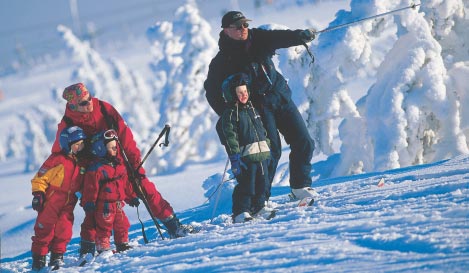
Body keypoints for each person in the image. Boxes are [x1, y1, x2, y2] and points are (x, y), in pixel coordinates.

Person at [52, 83, 193, 257]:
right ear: (73, 105)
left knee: (146, 189)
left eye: (89, 98)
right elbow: (61, 157)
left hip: (120, 164)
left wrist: (135, 166)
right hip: (94, 173)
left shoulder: (104, 108)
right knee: (97, 209)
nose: (89, 103)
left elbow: (125, 137)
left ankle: (174, 227)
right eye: (83, 103)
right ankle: (90, 249)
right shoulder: (67, 125)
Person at [204, 11, 317, 200]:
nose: (243, 29)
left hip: (280, 98)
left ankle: (300, 187)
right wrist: (230, 114)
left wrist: (299, 36)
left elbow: (280, 37)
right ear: (226, 31)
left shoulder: (258, 38)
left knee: (304, 141)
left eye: (245, 25)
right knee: (271, 152)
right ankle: (261, 200)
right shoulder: (221, 61)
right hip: (258, 110)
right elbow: (211, 91)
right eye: (238, 26)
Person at [217, 73, 273, 223]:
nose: (244, 95)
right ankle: (241, 212)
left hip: (261, 153)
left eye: (245, 92)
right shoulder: (230, 114)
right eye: (239, 93)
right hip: (246, 156)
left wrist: (267, 145)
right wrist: (235, 157)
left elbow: (262, 129)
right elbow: (230, 138)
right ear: (232, 95)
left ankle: (259, 206)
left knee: (263, 182)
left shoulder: (253, 109)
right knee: (247, 185)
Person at [31, 126, 87, 271]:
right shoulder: (57, 160)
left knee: (64, 230)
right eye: (77, 145)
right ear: (67, 145)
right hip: (51, 201)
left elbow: (81, 184)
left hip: (68, 204)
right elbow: (40, 177)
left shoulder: (81, 163)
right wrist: (38, 194)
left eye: (82, 145)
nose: (80, 148)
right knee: (44, 229)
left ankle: (57, 257)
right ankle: (39, 260)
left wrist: (85, 196)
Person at [81, 130, 140, 254]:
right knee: (104, 227)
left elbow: (126, 185)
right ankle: (103, 247)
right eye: (112, 147)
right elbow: (90, 188)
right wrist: (89, 203)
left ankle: (122, 244)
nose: (115, 150)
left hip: (118, 204)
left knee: (122, 224)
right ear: (100, 149)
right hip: (104, 206)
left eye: (116, 147)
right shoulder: (96, 168)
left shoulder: (119, 166)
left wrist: (131, 197)